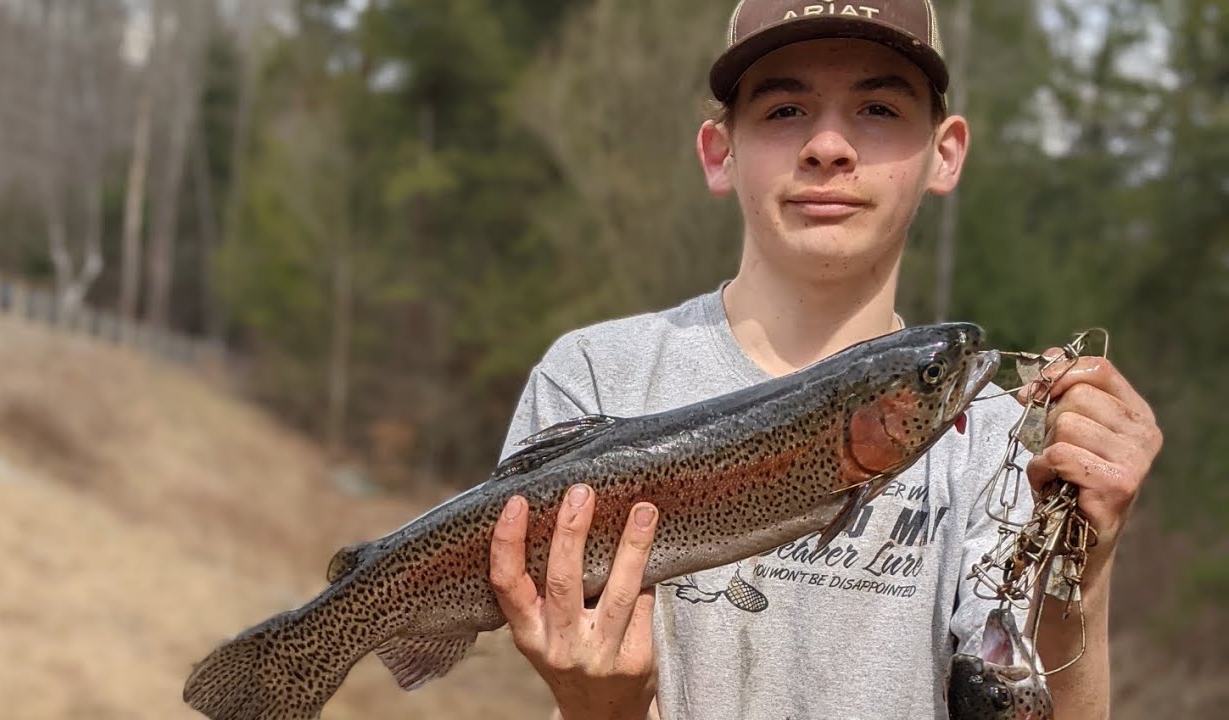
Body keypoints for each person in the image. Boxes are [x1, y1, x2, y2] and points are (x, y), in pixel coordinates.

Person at [486, 1, 1164, 718]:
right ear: (720, 153)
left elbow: (1018, 701)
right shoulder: (597, 374)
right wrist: (607, 707)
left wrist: (1086, 569)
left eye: (877, 108)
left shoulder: (1007, 447)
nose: (829, 147)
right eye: (785, 110)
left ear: (945, 153)